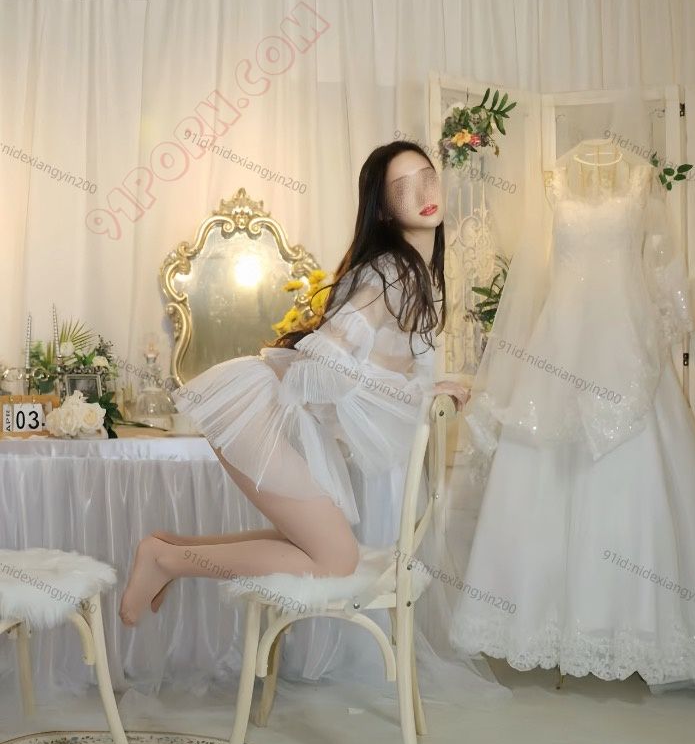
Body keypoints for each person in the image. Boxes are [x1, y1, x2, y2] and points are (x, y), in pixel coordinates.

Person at [119, 142, 469, 626]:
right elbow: (319, 368)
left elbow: (378, 366)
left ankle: (168, 549)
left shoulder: (415, 274)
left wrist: (423, 388)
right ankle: (165, 560)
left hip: (263, 405)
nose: (423, 194)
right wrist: (415, 393)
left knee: (316, 546)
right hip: (256, 410)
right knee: (335, 560)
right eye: (401, 188)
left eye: (428, 178)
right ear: (383, 210)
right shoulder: (391, 274)